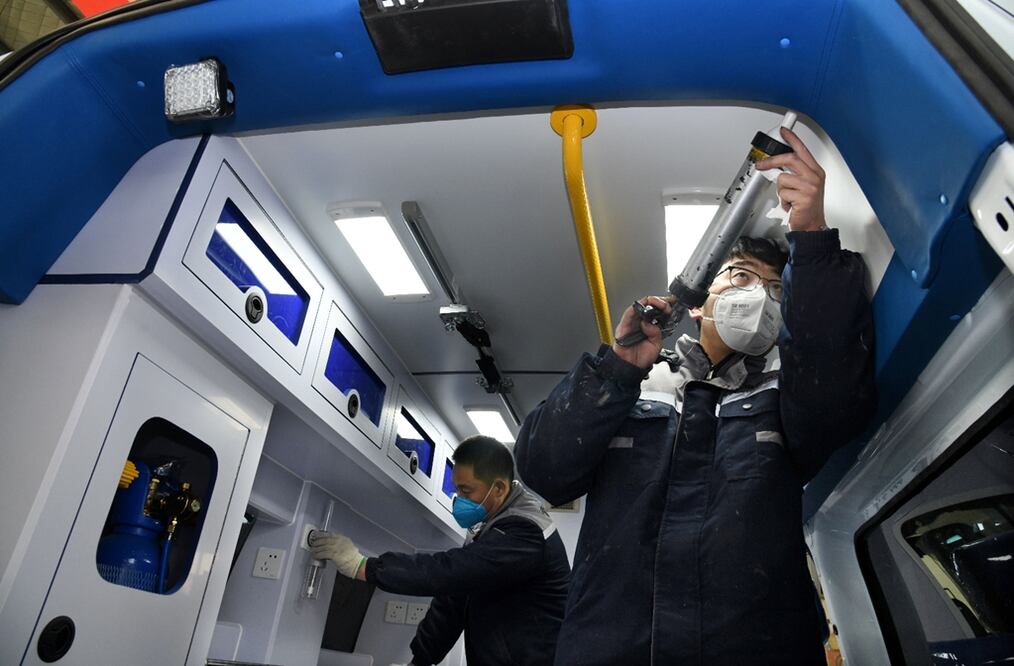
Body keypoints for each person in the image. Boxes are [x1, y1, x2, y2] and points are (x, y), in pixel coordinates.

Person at [514, 127, 876, 665]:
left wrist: (813, 240)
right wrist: (617, 369)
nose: (760, 297)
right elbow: (544, 469)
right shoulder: (635, 389)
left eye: (777, 290)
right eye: (742, 276)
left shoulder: (784, 396)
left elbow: (833, 409)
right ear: (701, 303)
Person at [310, 435, 570, 666]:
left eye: (466, 490)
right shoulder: (489, 530)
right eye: (457, 490)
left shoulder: (524, 532)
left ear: (499, 489)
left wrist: (364, 567)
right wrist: (419, 661)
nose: (459, 500)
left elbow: (448, 572)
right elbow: (453, 599)